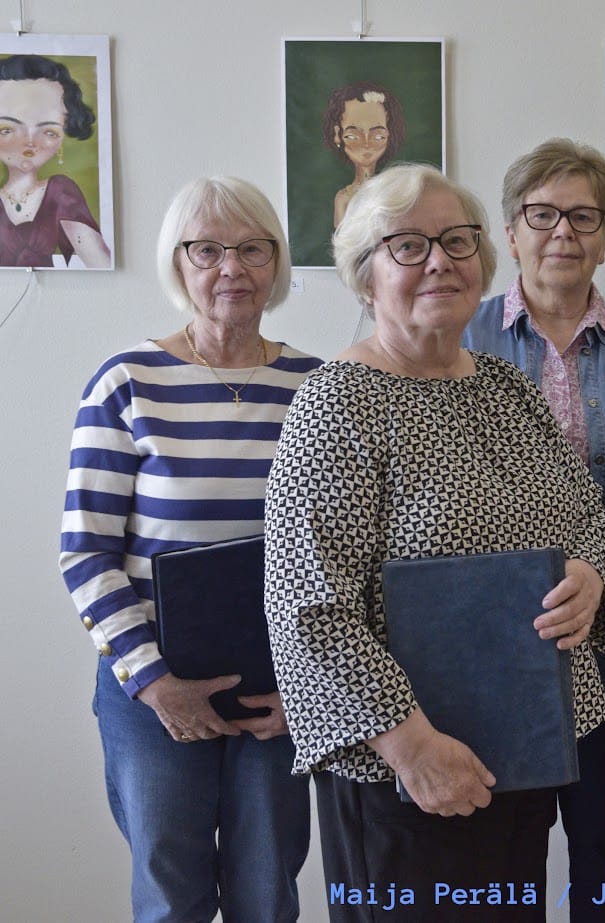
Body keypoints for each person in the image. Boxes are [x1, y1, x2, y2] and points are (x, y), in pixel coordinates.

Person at [263, 163, 605, 923]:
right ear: (365, 275)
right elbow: (309, 610)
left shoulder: (507, 389)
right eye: (409, 245)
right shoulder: (336, 404)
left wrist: (590, 574)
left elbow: (587, 519)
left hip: (522, 753)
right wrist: (412, 746)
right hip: (404, 777)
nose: (440, 261)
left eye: (457, 241)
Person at [59, 176, 319, 922]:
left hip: (278, 688)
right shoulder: (127, 382)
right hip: (153, 687)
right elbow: (85, 552)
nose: (231, 267)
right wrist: (155, 684)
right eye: (207, 250)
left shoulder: (316, 386)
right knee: (172, 898)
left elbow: (338, 552)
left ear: (277, 260)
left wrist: (307, 691)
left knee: (268, 893)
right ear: (178, 263)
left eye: (252, 248)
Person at [463, 137, 605, 921]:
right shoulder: (461, 337)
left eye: (584, 216)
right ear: (510, 232)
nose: (563, 232)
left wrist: (599, 573)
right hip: (494, 650)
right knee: (500, 858)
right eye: (542, 214)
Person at [0, 53, 110, 267]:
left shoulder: (60, 193)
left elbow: (103, 264)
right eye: (8, 129)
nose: (30, 141)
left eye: (48, 131)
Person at [322, 80, 406, 226]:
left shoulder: (395, 194)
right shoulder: (343, 198)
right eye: (353, 136)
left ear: (389, 134)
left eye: (378, 136)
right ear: (337, 135)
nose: (366, 144)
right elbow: (341, 239)